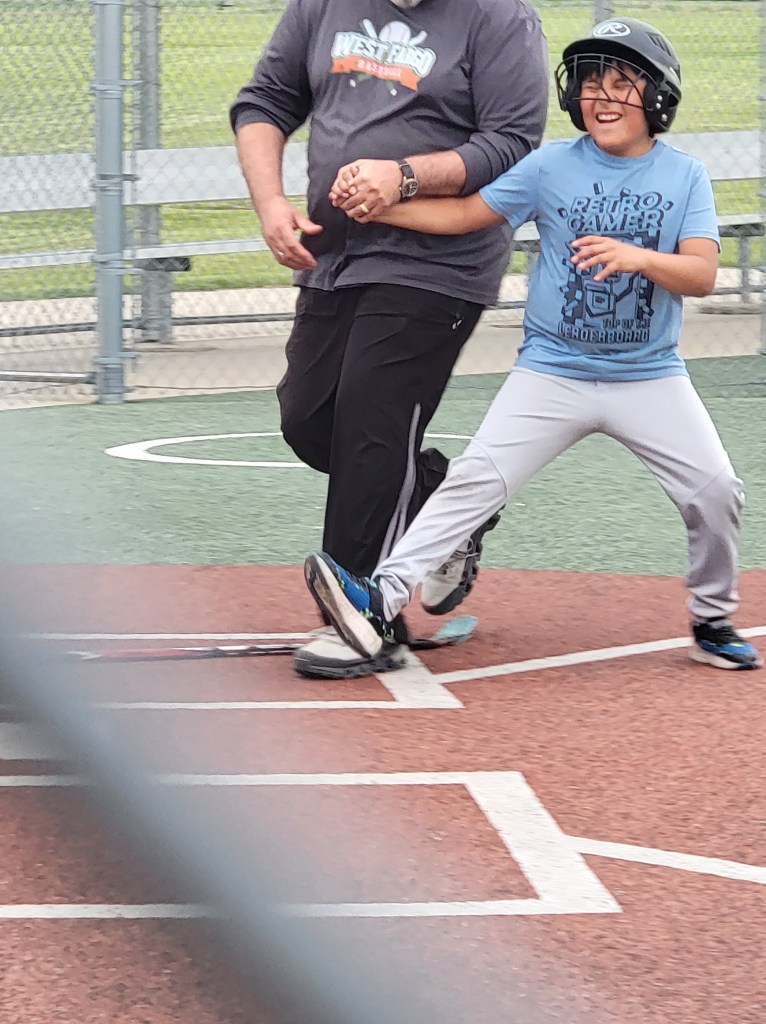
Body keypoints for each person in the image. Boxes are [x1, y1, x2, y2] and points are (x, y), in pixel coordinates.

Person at [302, 17, 763, 672]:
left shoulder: (684, 176)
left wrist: (635, 257)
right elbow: (466, 215)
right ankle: (377, 599)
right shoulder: (550, 165)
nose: (601, 96)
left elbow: (703, 274)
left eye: (622, 83)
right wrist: (383, 207)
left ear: (658, 96)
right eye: (591, 82)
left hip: (648, 375)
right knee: (472, 484)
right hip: (552, 371)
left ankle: (713, 615)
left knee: (715, 489)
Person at [229, 0, 550, 679]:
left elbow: (511, 142)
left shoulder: (499, 17)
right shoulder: (322, 6)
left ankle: (362, 619)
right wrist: (270, 204)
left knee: (374, 423)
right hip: (334, 255)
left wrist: (404, 175)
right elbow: (264, 101)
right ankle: (449, 509)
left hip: (438, 264)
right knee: (312, 422)